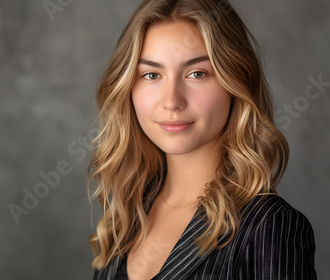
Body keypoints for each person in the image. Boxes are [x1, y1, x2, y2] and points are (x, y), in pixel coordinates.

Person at [87, 0, 317, 279]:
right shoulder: (128, 212)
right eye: (151, 74)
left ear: (236, 81)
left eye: (197, 73)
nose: (172, 101)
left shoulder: (269, 228)